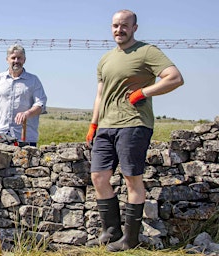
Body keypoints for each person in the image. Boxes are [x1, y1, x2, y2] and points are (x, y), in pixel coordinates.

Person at [86, 10, 184, 252]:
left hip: (134, 123)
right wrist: (93, 124)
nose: (119, 30)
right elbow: (101, 95)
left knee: (132, 179)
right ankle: (111, 232)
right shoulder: (105, 59)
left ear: (135, 27)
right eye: (115, 26)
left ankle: (131, 239)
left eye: (125, 26)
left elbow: (174, 77)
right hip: (106, 126)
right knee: (98, 177)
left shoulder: (147, 52)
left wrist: (144, 92)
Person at [0, 44, 47, 147]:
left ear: (24, 60)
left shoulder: (33, 80)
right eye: (13, 58)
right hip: (2, 136)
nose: (16, 61)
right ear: (7, 59)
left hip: (26, 138)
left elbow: (41, 104)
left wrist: (27, 114)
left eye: (19, 58)